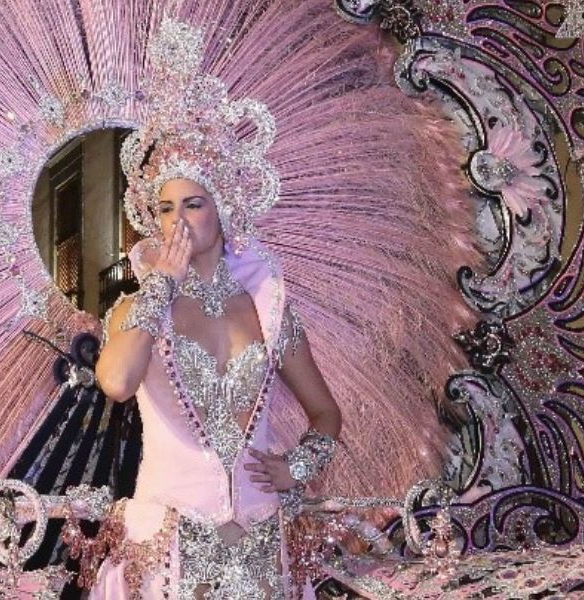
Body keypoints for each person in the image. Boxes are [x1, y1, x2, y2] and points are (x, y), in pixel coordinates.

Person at [78, 21, 344, 598]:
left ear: (222, 209)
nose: (178, 220)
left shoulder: (268, 309)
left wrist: (296, 468)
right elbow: (117, 383)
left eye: (193, 204)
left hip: (262, 548)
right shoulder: (136, 308)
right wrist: (161, 288)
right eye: (165, 207)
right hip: (168, 546)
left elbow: (326, 414)